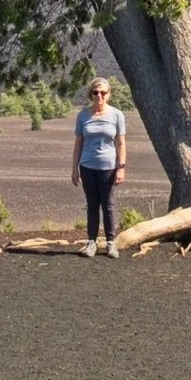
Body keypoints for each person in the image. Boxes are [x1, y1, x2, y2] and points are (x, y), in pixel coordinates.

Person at [70, 77, 127, 257]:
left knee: (108, 205)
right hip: (87, 166)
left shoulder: (117, 115)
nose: (99, 96)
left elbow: (121, 143)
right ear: (91, 94)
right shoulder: (83, 115)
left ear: (109, 94)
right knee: (92, 205)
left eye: (103, 92)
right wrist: (74, 168)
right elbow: (78, 143)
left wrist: (121, 167)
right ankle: (91, 242)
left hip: (108, 166)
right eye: (96, 92)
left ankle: (111, 243)